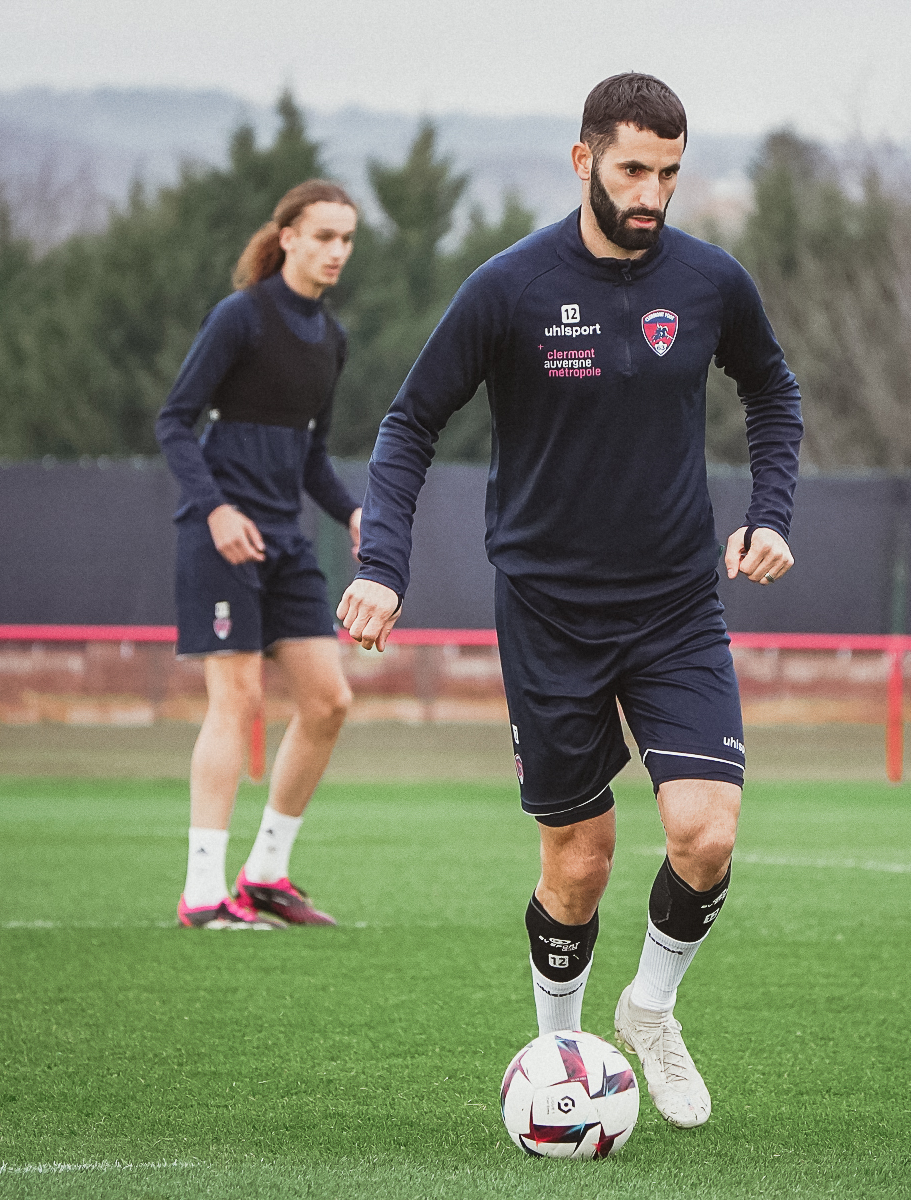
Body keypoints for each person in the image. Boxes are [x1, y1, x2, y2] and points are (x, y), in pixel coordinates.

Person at [337, 74, 802, 1126]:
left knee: (706, 833)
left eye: (671, 174)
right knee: (579, 862)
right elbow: (410, 424)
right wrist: (381, 565)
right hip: (548, 612)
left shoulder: (710, 282)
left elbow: (771, 389)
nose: (653, 194)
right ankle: (558, 1066)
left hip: (678, 603)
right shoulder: (508, 289)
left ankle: (649, 1010)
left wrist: (770, 511)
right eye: (634, 169)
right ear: (585, 159)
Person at [155, 180, 362, 930]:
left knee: (329, 701)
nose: (337, 251)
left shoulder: (331, 341)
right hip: (220, 538)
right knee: (236, 702)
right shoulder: (240, 317)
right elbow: (174, 421)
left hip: (286, 541)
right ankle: (203, 893)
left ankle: (266, 875)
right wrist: (215, 511)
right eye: (324, 236)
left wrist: (354, 513)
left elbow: (312, 459)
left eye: (346, 239)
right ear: (288, 238)